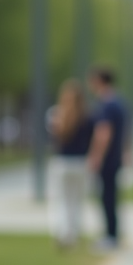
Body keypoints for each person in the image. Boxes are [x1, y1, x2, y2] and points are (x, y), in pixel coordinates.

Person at [47, 79, 93, 249]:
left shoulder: (57, 114)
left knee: (62, 200)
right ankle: (73, 233)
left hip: (62, 162)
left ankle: (63, 232)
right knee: (76, 200)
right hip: (81, 162)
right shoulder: (87, 116)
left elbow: (54, 138)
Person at [86, 66, 127, 249]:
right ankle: (113, 233)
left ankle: (110, 235)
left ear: (99, 81)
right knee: (111, 196)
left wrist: (96, 156)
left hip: (108, 159)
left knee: (107, 197)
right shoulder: (118, 102)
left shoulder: (106, 104)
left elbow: (104, 133)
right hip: (115, 157)